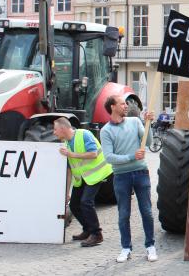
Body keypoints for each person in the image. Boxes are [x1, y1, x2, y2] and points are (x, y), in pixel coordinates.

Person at [100, 95, 157, 263]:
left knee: (146, 212)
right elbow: (109, 157)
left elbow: (149, 142)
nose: (126, 106)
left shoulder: (134, 122)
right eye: (122, 103)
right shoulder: (106, 131)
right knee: (123, 214)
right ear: (112, 107)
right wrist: (132, 157)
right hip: (121, 176)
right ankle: (126, 248)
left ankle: (150, 246)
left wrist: (148, 124)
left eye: (125, 103)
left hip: (141, 173)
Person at [54, 117, 113, 247]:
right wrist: (66, 192)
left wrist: (71, 154)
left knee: (86, 202)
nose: (54, 132)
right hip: (82, 179)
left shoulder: (84, 134)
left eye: (55, 129)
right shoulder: (67, 144)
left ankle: (97, 234)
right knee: (74, 204)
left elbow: (93, 154)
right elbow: (70, 169)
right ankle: (87, 230)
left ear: (63, 129)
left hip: (96, 174)